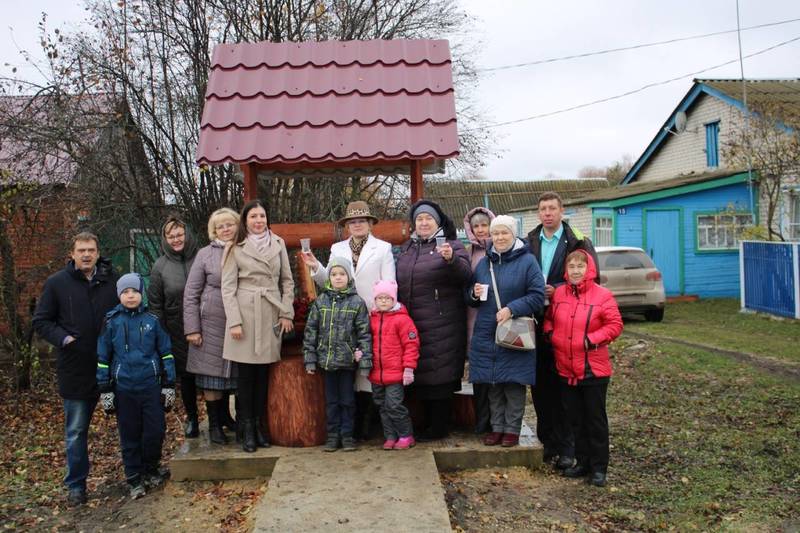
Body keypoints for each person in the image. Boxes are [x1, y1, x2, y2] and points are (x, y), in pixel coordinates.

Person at [32, 232, 119, 507]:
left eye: (91, 250)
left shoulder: (111, 282)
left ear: (97, 252)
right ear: (72, 253)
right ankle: (76, 486)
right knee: (77, 431)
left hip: (111, 369)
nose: (86, 255)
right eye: (81, 250)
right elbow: (41, 321)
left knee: (129, 423)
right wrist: (64, 339)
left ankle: (137, 473)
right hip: (75, 369)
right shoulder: (57, 283)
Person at [301, 200, 395, 439]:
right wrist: (316, 266)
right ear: (347, 225)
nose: (357, 225)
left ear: (370, 223)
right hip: (341, 316)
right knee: (345, 373)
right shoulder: (337, 248)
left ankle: (366, 425)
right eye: (353, 222)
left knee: (367, 369)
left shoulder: (383, 248)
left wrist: (382, 311)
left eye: (361, 221)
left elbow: (389, 284)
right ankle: (346, 428)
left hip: (371, 315)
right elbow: (331, 280)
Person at [526, 191, 598, 467]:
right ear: (538, 213)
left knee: (565, 388)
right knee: (540, 387)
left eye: (552, 208)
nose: (547, 213)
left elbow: (592, 277)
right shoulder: (529, 241)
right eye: (543, 208)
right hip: (535, 321)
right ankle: (547, 443)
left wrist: (557, 289)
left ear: (561, 211)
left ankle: (568, 447)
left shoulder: (576, 240)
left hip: (566, 322)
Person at [544, 250, 622, 487]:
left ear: (589, 269)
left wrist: (591, 339)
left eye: (580, 266)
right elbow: (549, 319)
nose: (576, 270)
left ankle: (599, 468)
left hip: (593, 370)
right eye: (571, 267)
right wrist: (550, 333)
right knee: (574, 419)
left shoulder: (602, 295)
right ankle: (582, 462)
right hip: (566, 367)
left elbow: (615, 324)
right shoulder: (559, 294)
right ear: (565, 271)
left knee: (595, 420)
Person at [221, 200, 294, 452]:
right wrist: (234, 321)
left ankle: (261, 428)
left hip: (270, 311)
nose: (259, 220)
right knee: (245, 377)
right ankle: (247, 429)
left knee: (264, 375)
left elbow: (287, 281)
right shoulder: (234, 246)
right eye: (253, 216)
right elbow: (228, 287)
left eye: (262, 216)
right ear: (245, 220)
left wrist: (286, 312)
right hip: (245, 313)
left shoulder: (279, 243)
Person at [396, 199, 472, 441]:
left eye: (429, 218)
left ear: (438, 222)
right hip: (413, 319)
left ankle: (439, 427)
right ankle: (425, 423)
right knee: (420, 372)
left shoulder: (451, 245)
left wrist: (451, 259)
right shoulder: (408, 247)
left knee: (440, 374)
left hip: (442, 321)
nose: (424, 222)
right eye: (419, 219)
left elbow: (465, 275)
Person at [96, 273, 176, 499]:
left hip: (150, 386)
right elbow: (103, 356)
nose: (130, 296)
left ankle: (150, 468)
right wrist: (105, 389)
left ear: (142, 293)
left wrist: (169, 384)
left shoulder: (153, 320)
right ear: (119, 295)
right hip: (124, 389)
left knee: (155, 431)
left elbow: (166, 353)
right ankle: (134, 478)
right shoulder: (111, 322)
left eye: (134, 291)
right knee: (129, 434)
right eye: (125, 292)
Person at [469, 216, 544, 447]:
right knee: (493, 383)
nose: (500, 238)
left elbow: (538, 296)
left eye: (505, 233)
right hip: (487, 331)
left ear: (513, 235)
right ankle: (497, 427)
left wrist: (512, 309)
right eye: (496, 233)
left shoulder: (528, 262)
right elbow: (470, 298)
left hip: (514, 331)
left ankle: (512, 430)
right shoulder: (484, 264)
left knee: (513, 383)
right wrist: (473, 292)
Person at [303, 256, 373, 452]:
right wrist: (310, 359)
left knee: (348, 401)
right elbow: (311, 332)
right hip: (326, 362)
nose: (338, 278)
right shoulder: (321, 302)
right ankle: (333, 436)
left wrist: (365, 360)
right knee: (331, 402)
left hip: (347, 362)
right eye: (334, 274)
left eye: (342, 274)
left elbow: (364, 334)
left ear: (349, 277)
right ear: (329, 278)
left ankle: (348, 435)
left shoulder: (357, 302)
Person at [183, 208, 240, 445]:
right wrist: (192, 328)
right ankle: (215, 425)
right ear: (213, 231)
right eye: (220, 226)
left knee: (233, 376)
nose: (226, 229)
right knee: (212, 377)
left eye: (230, 224)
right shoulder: (205, 254)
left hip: (238, 323)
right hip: (210, 323)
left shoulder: (244, 250)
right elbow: (191, 293)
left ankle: (227, 417)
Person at [147, 216, 199, 438]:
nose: (176, 239)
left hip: (206, 324)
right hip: (176, 329)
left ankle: (221, 416)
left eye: (180, 234)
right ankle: (193, 417)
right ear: (165, 239)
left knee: (215, 373)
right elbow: (155, 305)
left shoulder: (202, 256)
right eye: (171, 236)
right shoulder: (160, 266)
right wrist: (161, 335)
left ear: (187, 235)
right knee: (187, 376)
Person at [368, 279, 420, 450]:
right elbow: (366, 341)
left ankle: (406, 435)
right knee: (382, 407)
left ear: (394, 300)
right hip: (376, 374)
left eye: (387, 298)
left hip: (396, 374)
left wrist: (408, 369)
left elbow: (411, 345)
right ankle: (390, 436)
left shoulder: (402, 320)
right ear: (375, 300)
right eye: (380, 298)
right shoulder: (372, 319)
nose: (383, 301)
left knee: (394, 406)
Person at [463, 206, 495, 434]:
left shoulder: (504, 247)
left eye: (485, 225)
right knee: (480, 372)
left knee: (499, 373)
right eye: (477, 226)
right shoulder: (468, 252)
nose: (482, 230)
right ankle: (482, 421)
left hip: (499, 316)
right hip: (474, 318)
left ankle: (499, 421)